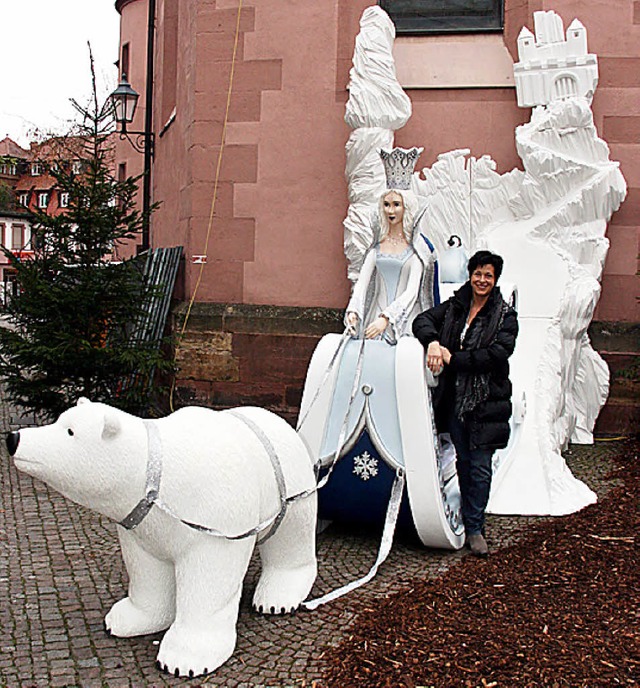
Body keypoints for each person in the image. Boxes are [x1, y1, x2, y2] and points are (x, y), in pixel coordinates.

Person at [412, 250, 518, 557]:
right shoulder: (456, 306)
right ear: (470, 275)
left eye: (489, 275)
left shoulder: (504, 316)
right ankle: (468, 516)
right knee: (462, 460)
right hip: (455, 401)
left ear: (495, 279)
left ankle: (475, 528)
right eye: (478, 274)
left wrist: (453, 359)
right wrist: (433, 342)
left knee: (480, 466)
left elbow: (497, 354)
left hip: (486, 403)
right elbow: (423, 320)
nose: (482, 280)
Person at [345, 186, 437, 342]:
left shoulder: (417, 251)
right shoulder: (375, 250)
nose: (390, 211)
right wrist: (353, 311)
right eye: (386, 205)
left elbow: (412, 292)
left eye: (396, 204)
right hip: (374, 319)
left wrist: (387, 317)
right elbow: (361, 286)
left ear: (406, 207)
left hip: (404, 321)